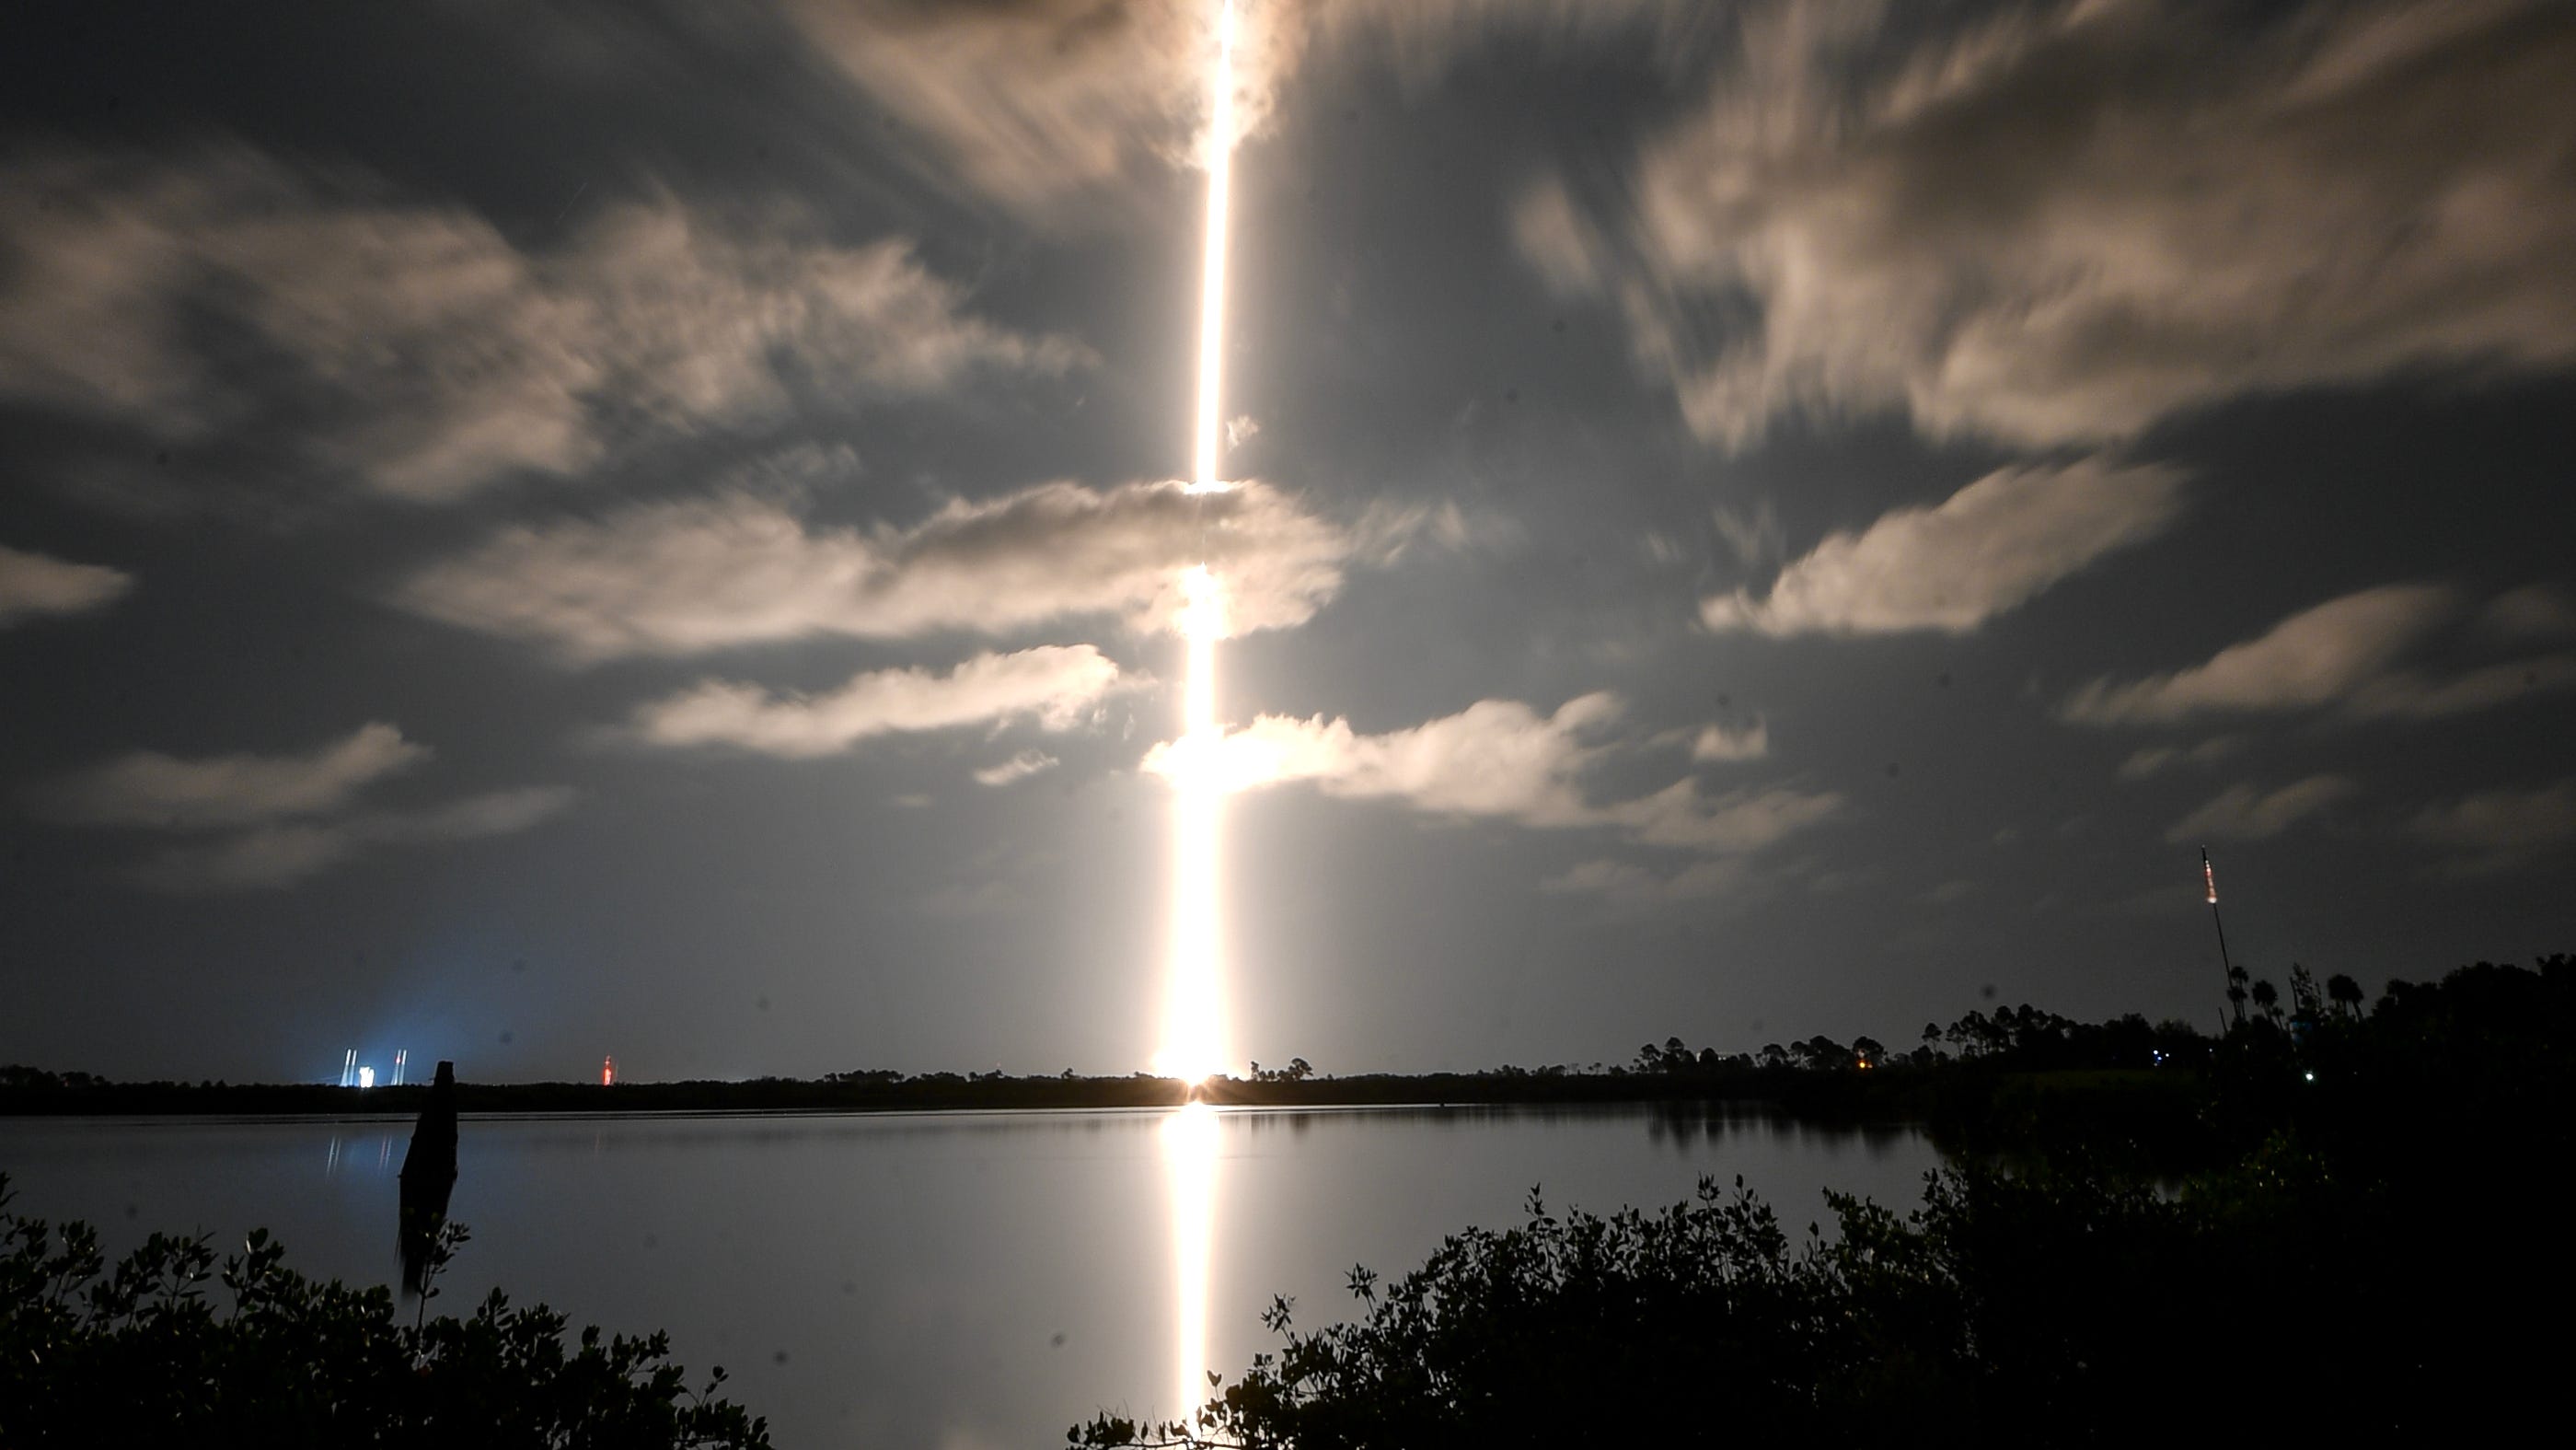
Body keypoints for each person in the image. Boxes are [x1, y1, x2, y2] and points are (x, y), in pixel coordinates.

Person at [397, 1060, 459, 1296]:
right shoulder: (447, 1099)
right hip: (433, 1164)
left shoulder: (432, 1098)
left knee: (418, 1221)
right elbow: (451, 1134)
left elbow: (424, 1131)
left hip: (422, 1164)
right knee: (429, 1218)